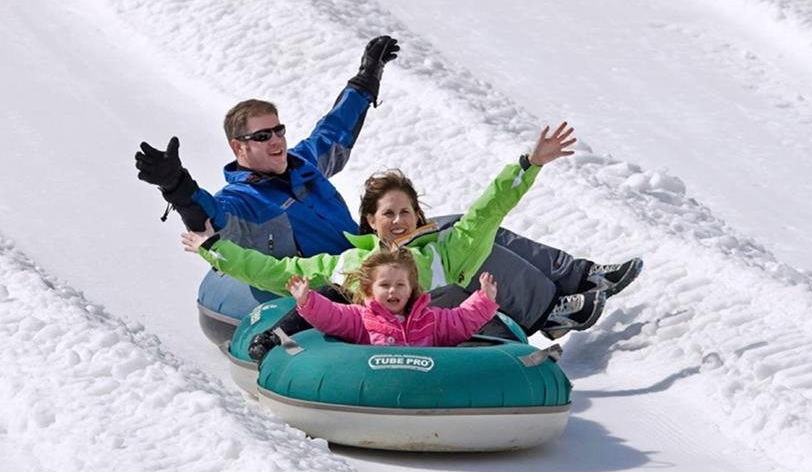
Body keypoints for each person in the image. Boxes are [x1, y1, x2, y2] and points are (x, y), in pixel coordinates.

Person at [137, 35, 642, 342]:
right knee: (448, 253)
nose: (276, 140)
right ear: (238, 145)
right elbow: (210, 221)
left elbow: (335, 129)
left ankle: (577, 276)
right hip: (338, 278)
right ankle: (547, 310)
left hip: (367, 252)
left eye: (279, 130)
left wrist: (366, 78)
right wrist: (177, 185)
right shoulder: (242, 201)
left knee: (458, 227)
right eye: (262, 135)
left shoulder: (303, 163)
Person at [180, 122, 576, 317]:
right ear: (370, 221)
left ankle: (570, 287)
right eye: (389, 213)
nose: (399, 220)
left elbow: (487, 211)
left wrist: (529, 163)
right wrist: (213, 249)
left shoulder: (445, 253)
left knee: (461, 296)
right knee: (326, 299)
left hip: (441, 341)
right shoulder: (348, 263)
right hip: (376, 351)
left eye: (406, 211)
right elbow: (273, 271)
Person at [286, 247, 499, 347]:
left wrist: (483, 299)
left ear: (411, 289)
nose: (392, 291)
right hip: (379, 386)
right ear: (370, 290)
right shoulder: (361, 318)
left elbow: (460, 320)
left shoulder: (430, 319)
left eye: (400, 285)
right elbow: (333, 315)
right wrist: (307, 300)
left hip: (424, 385)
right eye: (385, 285)